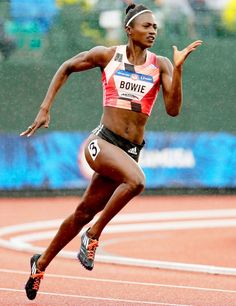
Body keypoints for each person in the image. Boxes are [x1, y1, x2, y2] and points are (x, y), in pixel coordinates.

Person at [20, 2, 202, 300]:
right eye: (147, 26)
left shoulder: (161, 65)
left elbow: (173, 110)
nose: (153, 31)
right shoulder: (107, 55)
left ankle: (39, 264)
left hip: (129, 151)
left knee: (82, 212)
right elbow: (66, 66)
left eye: (155, 26)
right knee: (137, 181)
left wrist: (178, 69)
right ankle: (92, 236)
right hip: (101, 143)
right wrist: (44, 108)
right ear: (129, 30)